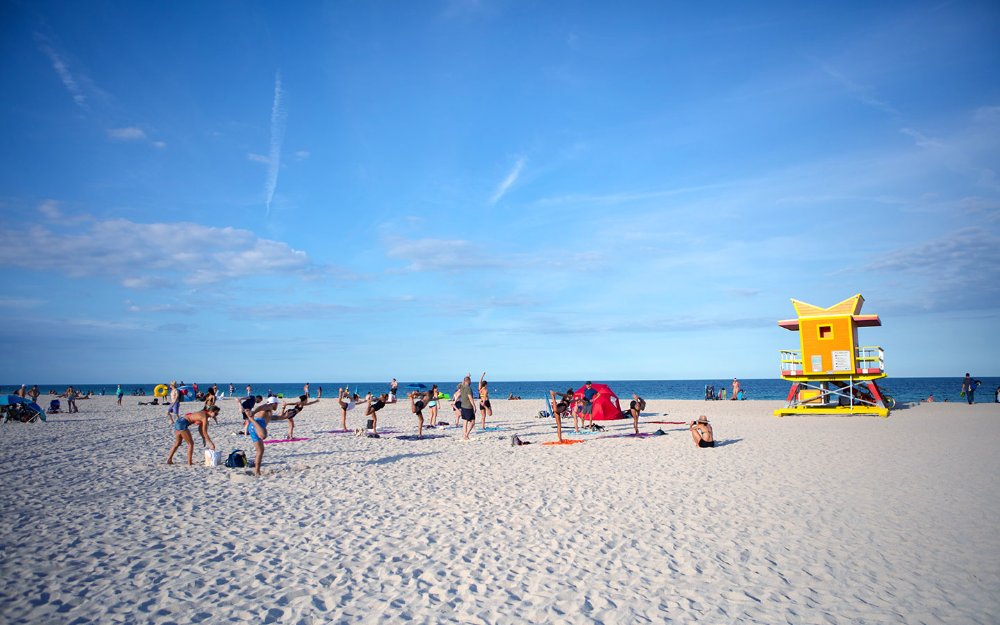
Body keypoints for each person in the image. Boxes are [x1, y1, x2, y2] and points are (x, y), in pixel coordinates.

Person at [457, 375, 477, 440]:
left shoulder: (461, 387)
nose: (471, 382)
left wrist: (465, 377)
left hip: (463, 406)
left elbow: (460, 384)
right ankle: (466, 434)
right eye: (470, 380)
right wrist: (474, 406)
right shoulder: (468, 388)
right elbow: (470, 398)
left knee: (465, 422)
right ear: (468, 381)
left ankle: (465, 436)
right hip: (468, 407)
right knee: (472, 422)